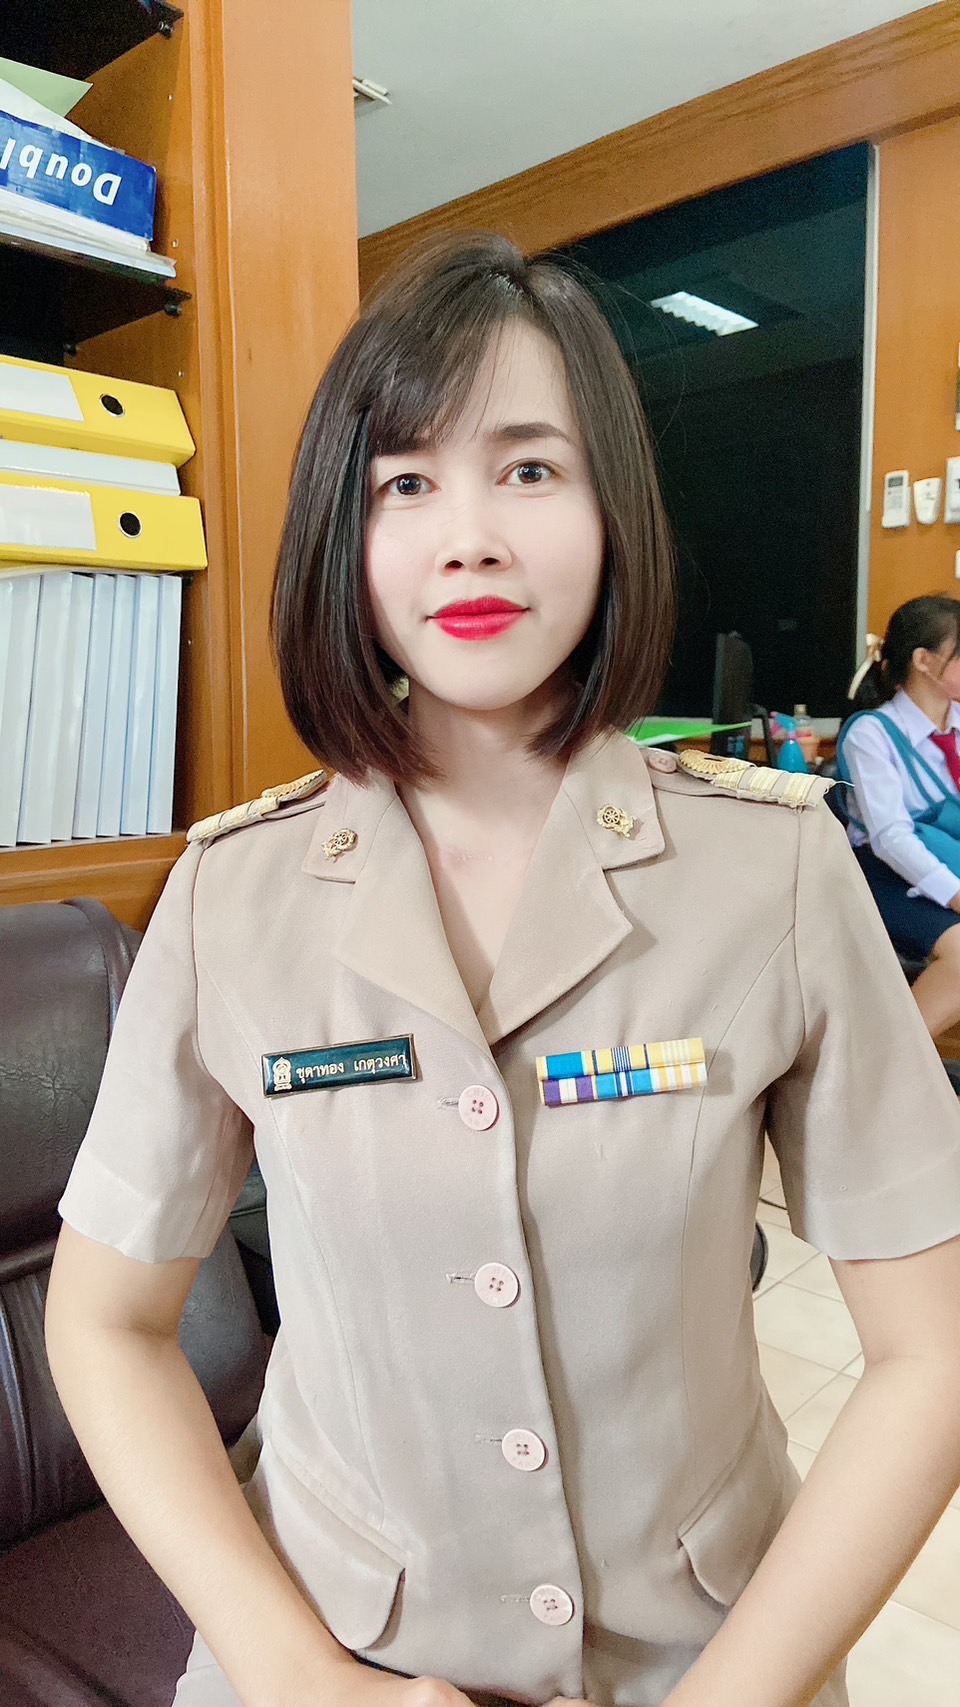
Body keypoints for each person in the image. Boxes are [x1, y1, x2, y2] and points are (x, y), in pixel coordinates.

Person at [44, 236, 960, 1707]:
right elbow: (104, 1319)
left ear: (611, 510)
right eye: (406, 482)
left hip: (709, 1659)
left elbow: (932, 1353)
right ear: (344, 531)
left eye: (529, 468)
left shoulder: (777, 870)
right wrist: (299, 1675)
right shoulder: (231, 895)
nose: (467, 537)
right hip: (331, 1648)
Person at [837, 596, 960, 1038]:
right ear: (924, 661)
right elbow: (891, 838)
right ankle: (887, 1064)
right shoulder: (871, 733)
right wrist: (955, 894)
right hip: (887, 873)